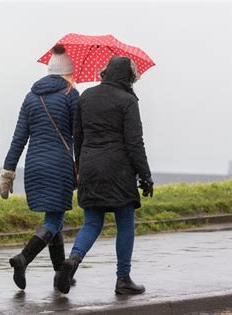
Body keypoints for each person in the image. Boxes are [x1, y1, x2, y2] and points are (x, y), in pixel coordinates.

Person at [55, 56, 154, 295]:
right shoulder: (128, 101)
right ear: (128, 77)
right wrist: (146, 176)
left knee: (92, 222)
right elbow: (134, 143)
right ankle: (123, 279)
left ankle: (73, 261)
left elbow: (77, 136)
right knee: (125, 223)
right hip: (118, 170)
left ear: (106, 72)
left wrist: (80, 167)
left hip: (89, 166)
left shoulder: (86, 97)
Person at [0, 45, 79, 290]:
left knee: (54, 216)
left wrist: (7, 174)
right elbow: (79, 134)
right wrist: (82, 166)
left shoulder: (30, 97)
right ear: (68, 71)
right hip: (60, 165)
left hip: (34, 165)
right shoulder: (71, 95)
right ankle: (23, 258)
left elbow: (18, 138)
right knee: (54, 218)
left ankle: (59, 274)